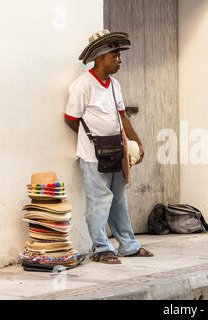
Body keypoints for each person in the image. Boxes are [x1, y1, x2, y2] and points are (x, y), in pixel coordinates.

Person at [64, 30, 154, 263]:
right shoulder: (82, 85)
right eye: (115, 55)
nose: (120, 60)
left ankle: (128, 245)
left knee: (118, 199)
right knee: (99, 201)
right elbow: (71, 119)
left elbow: (123, 117)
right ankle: (101, 248)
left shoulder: (114, 84)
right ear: (101, 56)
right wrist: (93, 140)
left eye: (119, 55)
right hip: (93, 156)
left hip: (117, 150)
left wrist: (136, 142)